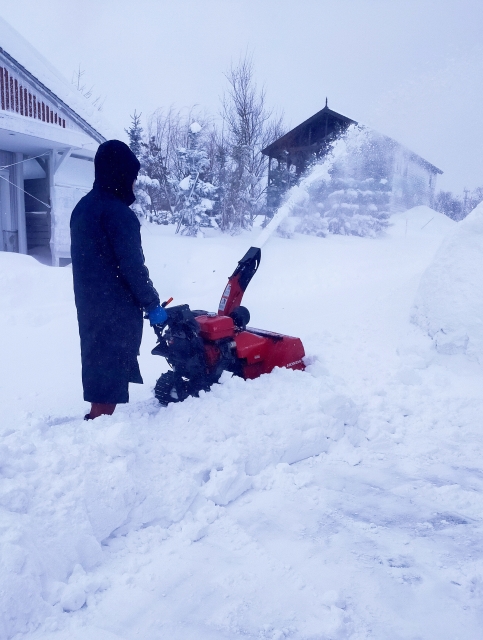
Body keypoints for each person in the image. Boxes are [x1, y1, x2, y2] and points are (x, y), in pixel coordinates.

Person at [70, 140, 167, 420]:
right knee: (110, 365)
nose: (134, 184)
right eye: (132, 177)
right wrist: (152, 304)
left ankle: (97, 420)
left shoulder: (83, 208)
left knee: (97, 359)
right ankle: (99, 426)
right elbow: (132, 267)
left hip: (89, 303)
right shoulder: (118, 214)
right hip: (115, 306)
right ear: (121, 174)